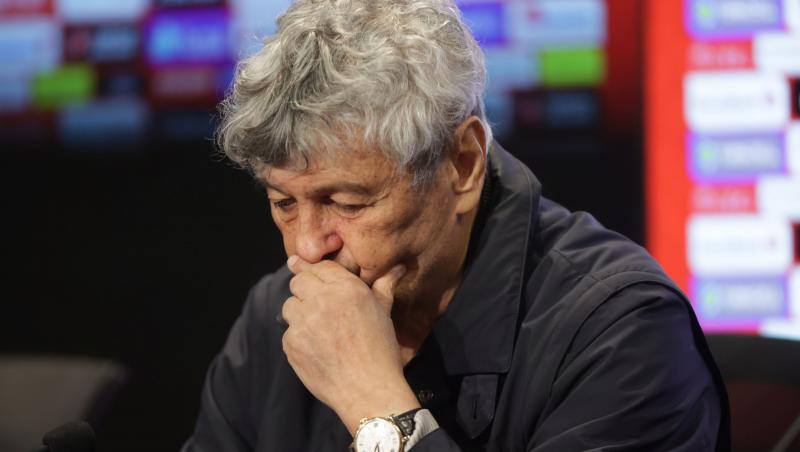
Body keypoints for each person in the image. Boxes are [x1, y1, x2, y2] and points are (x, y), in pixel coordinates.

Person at [182, 0, 730, 450]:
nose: (306, 247)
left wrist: (376, 407)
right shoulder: (278, 316)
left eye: (347, 202)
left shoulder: (622, 333)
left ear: (462, 164)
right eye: (283, 202)